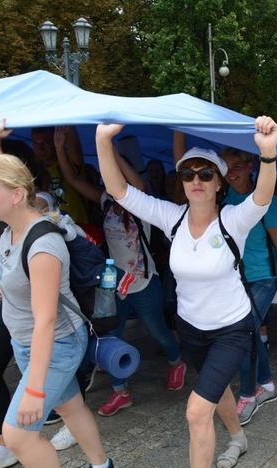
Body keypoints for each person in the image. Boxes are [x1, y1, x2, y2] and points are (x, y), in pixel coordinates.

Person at [96, 117, 277, 468]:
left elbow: (262, 198)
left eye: (206, 173)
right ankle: (238, 438)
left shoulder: (233, 220)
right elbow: (120, 191)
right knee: (216, 390)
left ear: (219, 183)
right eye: (188, 174)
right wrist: (104, 142)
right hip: (192, 329)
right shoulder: (172, 218)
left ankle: (231, 442)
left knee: (196, 411)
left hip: (231, 329)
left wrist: (267, 154)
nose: (196, 180)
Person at [0, 120, 112, 467]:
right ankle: (103, 464)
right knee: (70, 405)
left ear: (15, 196)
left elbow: (45, 321)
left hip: (55, 344)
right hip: (26, 342)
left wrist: (34, 388)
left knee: (18, 436)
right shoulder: (4, 223)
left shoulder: (42, 244)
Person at [52, 126, 187, 417]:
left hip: (144, 284)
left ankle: (177, 364)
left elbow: (136, 180)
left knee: (159, 334)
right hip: (114, 285)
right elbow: (73, 179)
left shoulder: (140, 204)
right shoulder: (104, 201)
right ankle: (120, 392)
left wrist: (110, 148)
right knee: (110, 337)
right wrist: (60, 147)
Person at [212, 145, 277, 426]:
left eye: (237, 166)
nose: (231, 172)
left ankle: (249, 395)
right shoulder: (222, 200)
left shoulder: (268, 202)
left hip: (264, 277)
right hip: (235, 278)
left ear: (251, 167)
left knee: (243, 329)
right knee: (247, 332)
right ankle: (267, 385)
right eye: (227, 167)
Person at [31, 126, 90, 223]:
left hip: (78, 231)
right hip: (49, 233)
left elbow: (73, 144)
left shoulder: (69, 164)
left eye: (46, 142)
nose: (40, 149)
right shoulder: (32, 168)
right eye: (35, 143)